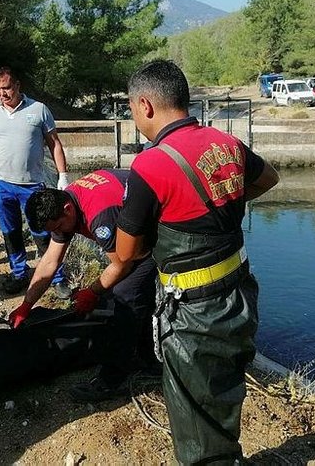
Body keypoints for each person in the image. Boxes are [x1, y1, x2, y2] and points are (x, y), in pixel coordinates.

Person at [115, 60, 280, 464]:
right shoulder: (224, 143)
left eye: (131, 109)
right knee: (223, 390)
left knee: (196, 414)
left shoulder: (150, 165)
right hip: (239, 293)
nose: (133, 118)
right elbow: (268, 178)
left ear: (146, 105)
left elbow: (125, 252)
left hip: (192, 311)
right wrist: (221, 205)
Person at [11, 170, 158, 401]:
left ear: (67, 210)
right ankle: (146, 355)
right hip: (133, 233)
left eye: (58, 227)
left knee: (125, 297)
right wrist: (26, 304)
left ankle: (113, 379)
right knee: (118, 298)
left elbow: (123, 264)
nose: (58, 233)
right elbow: (50, 261)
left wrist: (92, 290)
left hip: (155, 237)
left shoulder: (100, 216)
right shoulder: (64, 206)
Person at [0, 66, 71, 298]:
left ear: (17, 85)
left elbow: (54, 143)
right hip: (1, 183)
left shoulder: (39, 110)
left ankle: (57, 277)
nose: (3, 93)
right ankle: (19, 272)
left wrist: (63, 175)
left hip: (32, 185)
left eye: (7, 87)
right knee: (10, 231)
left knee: (43, 232)